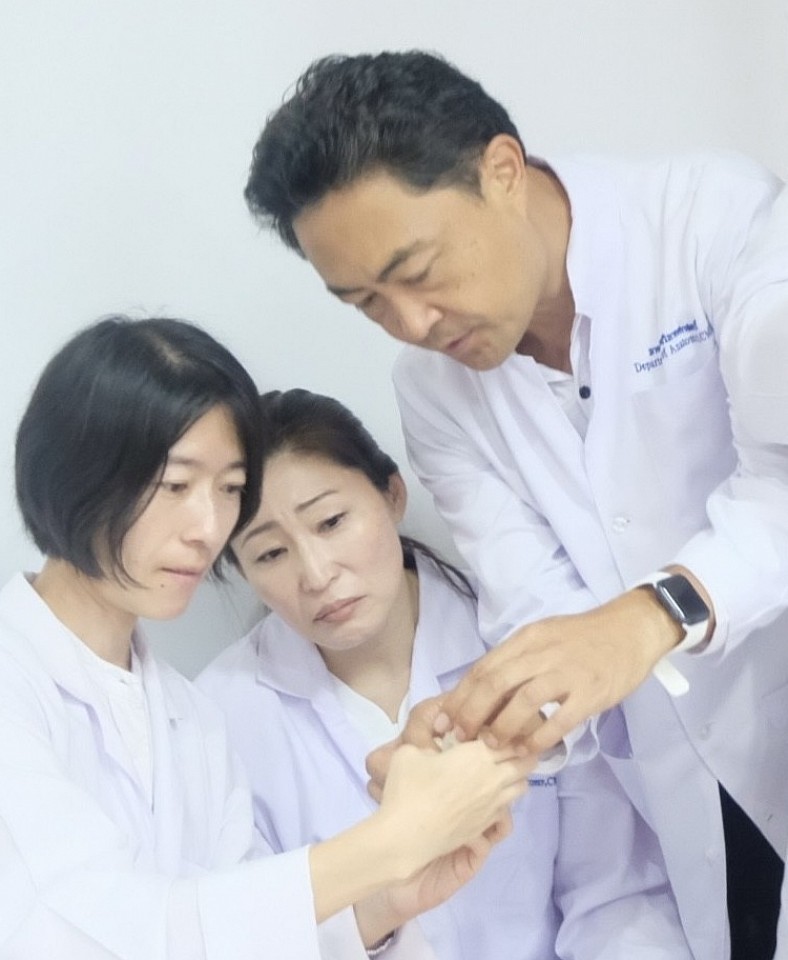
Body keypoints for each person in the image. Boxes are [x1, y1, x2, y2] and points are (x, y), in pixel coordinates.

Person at [242, 51, 788, 960]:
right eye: (367, 302)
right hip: (693, 797)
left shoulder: (715, 223)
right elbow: (544, 612)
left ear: (501, 170)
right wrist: (488, 729)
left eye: (417, 270)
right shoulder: (433, 393)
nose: (412, 323)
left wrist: (651, 615)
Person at [0, 314, 532, 960]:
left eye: (229, 489)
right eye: (176, 485)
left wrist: (381, 907)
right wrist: (389, 843)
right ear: (74, 473)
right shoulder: (15, 677)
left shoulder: (189, 716)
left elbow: (241, 936)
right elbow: (88, 930)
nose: (208, 527)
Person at [197, 387, 693, 959]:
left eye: (331, 522)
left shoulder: (522, 642)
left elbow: (615, 896)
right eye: (269, 554)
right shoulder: (220, 718)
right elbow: (248, 939)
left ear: (392, 494)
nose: (316, 573)